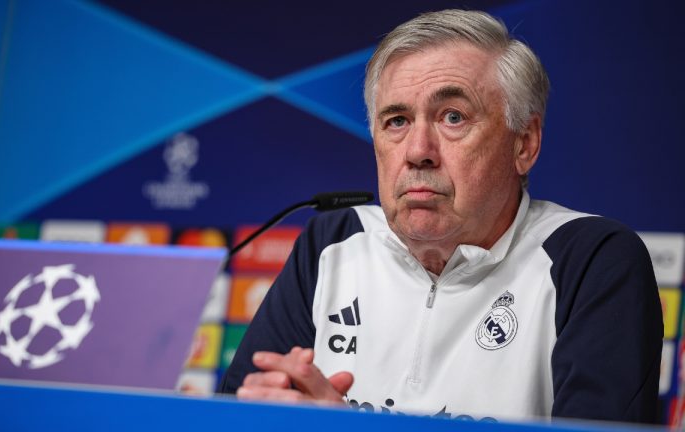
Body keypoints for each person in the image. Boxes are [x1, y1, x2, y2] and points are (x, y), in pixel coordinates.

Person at [219, 9, 662, 423]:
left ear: (523, 144)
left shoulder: (591, 261)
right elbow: (230, 416)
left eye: (453, 117)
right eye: (396, 121)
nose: (417, 152)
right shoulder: (333, 244)